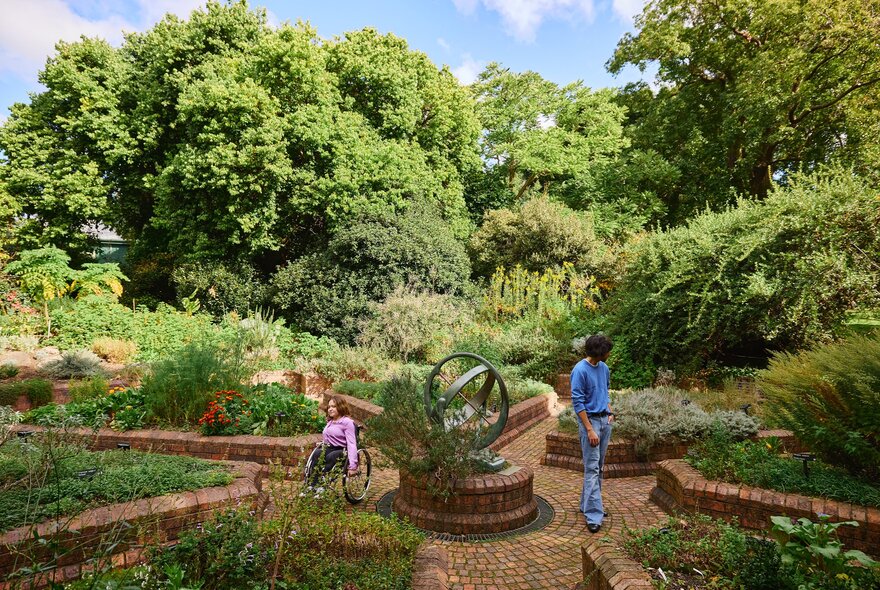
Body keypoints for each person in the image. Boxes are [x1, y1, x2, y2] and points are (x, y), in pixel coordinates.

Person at [571, 334, 614, 533]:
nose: (609, 354)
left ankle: (587, 505)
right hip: (591, 423)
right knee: (591, 469)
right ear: (599, 352)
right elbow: (578, 403)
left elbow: (605, 392)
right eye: (607, 351)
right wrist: (589, 429)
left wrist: (610, 410)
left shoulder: (604, 368)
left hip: (605, 421)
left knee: (599, 466)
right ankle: (594, 515)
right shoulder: (580, 370)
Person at [306, 396, 359, 490]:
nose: (330, 409)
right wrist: (323, 443)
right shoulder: (331, 421)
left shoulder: (347, 422)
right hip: (330, 447)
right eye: (329, 407)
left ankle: (322, 484)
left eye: (333, 406)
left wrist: (353, 466)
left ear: (341, 407)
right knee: (317, 453)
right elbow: (329, 436)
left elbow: (351, 443)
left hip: (342, 450)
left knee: (331, 457)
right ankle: (312, 485)